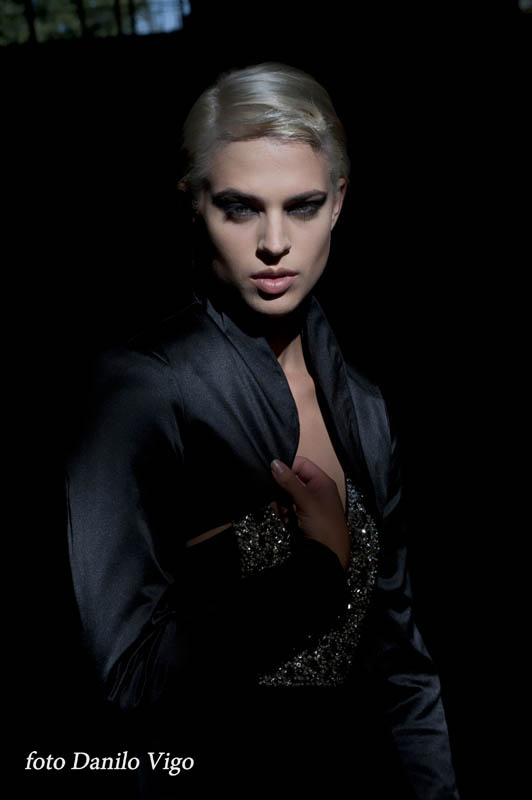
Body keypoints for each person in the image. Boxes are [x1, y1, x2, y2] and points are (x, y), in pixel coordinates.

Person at [65, 62, 460, 798]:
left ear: (339, 202)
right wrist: (317, 572)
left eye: (302, 206)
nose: (274, 243)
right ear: (193, 204)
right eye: (240, 208)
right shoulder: (139, 390)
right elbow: (126, 678)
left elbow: (405, 671)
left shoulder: (365, 408)